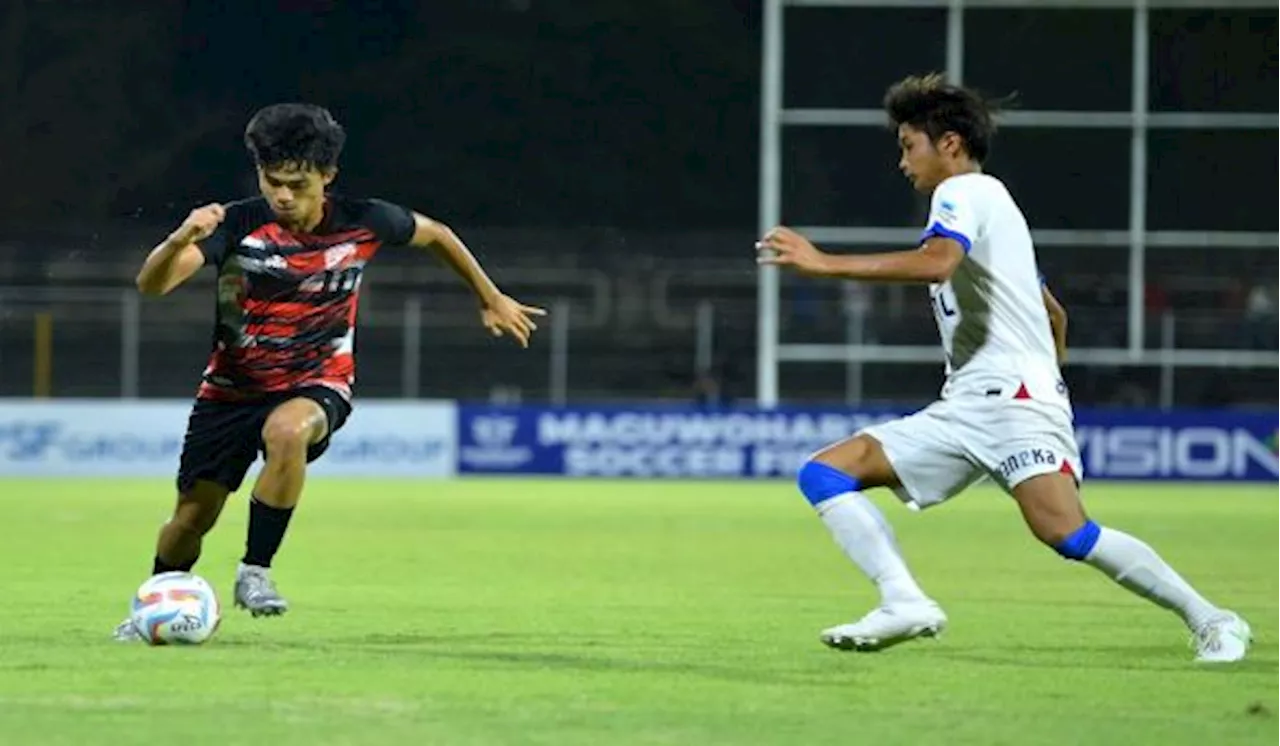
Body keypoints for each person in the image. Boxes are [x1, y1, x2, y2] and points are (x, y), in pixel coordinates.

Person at [755, 74, 1250, 663]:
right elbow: (1054, 313)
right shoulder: (994, 207)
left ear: (951, 145)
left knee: (1068, 534)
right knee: (825, 474)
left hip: (1009, 400)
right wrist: (1046, 381)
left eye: (908, 144)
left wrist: (823, 263)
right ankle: (904, 601)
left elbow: (937, 265)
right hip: (974, 401)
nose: (902, 162)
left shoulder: (963, 194)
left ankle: (1214, 620)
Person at [115, 103, 545, 640]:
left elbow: (436, 233)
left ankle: (256, 570)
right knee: (191, 520)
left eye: (297, 184)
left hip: (318, 381)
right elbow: (152, 286)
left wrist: (491, 296)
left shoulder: (365, 220)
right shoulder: (238, 224)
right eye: (272, 182)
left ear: (328, 176)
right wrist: (180, 238)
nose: (283, 196)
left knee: (287, 431)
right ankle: (153, 605)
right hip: (230, 391)